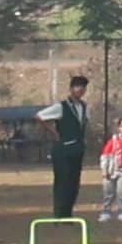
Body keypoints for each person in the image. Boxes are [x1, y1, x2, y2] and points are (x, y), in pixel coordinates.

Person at [42, 71, 97, 230]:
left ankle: (68, 214)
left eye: (83, 87)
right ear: (71, 88)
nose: (81, 90)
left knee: (74, 183)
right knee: (62, 182)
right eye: (78, 87)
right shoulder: (61, 106)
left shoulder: (84, 107)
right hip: (62, 149)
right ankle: (58, 215)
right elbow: (40, 116)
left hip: (77, 149)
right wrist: (54, 133)